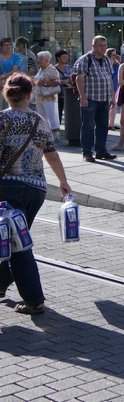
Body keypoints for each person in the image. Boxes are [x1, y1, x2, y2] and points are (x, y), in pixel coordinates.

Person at [0, 75, 73, 315]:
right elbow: (51, 155)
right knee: (13, 238)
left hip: (8, 189)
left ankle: (34, 299)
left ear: (6, 94)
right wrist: (63, 182)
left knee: (17, 245)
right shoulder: (40, 121)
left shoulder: (3, 120)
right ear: (30, 95)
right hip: (36, 191)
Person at [74, 36, 117, 163]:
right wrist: (83, 98)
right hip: (90, 98)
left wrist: (111, 97)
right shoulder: (85, 59)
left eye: (105, 45)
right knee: (88, 126)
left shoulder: (106, 60)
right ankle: (87, 153)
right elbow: (79, 79)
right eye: (100, 45)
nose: (103, 48)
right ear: (93, 46)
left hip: (103, 98)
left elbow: (109, 79)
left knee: (103, 126)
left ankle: (101, 151)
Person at [32, 51, 62, 138]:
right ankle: (44, 134)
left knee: (52, 117)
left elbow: (57, 82)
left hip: (49, 97)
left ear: (46, 60)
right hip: (40, 97)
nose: (38, 61)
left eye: (40, 59)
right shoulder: (41, 69)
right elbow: (37, 81)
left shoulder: (52, 69)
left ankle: (54, 135)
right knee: (42, 117)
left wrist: (45, 84)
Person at [54, 49, 72, 125]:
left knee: (70, 112)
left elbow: (74, 77)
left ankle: (71, 128)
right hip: (58, 93)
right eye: (63, 57)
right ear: (58, 58)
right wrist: (62, 82)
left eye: (66, 57)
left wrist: (68, 80)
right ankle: (58, 128)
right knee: (58, 112)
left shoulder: (70, 68)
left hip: (68, 93)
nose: (66, 58)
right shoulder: (53, 69)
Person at [106, 48, 121, 131]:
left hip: (115, 87)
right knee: (107, 106)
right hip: (107, 88)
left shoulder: (117, 64)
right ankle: (107, 123)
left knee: (114, 106)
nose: (114, 57)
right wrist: (110, 62)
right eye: (112, 55)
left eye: (115, 55)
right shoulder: (106, 63)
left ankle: (112, 123)